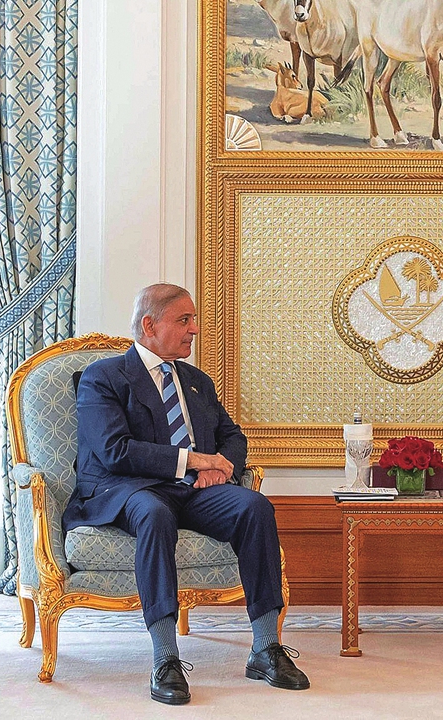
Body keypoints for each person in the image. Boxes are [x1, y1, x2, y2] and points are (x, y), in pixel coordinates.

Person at [64, 283, 310, 705]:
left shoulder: (196, 381)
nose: (194, 329)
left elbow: (232, 436)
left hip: (195, 491)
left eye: (193, 319)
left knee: (254, 507)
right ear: (149, 325)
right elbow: (114, 451)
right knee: (154, 515)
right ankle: (165, 658)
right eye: (184, 320)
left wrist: (222, 468)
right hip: (129, 488)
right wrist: (196, 461)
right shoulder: (102, 377)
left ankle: (266, 648)